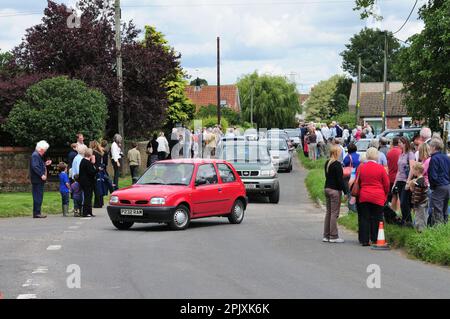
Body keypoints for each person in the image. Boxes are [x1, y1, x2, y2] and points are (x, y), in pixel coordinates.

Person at [357, 147, 390, 246]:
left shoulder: (361, 167)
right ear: (377, 156)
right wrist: (385, 194)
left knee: (364, 218)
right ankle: (375, 238)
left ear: (367, 155)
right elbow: (387, 183)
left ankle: (364, 240)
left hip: (364, 195)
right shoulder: (381, 168)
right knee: (377, 218)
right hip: (378, 196)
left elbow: (358, 182)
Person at [323, 145, 348, 243]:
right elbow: (340, 180)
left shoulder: (327, 163)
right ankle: (333, 236)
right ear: (337, 153)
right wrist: (345, 192)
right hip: (334, 191)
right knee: (334, 213)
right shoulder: (337, 164)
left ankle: (326, 235)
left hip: (327, 188)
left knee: (328, 212)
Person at [393, 136, 416, 226]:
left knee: (404, 202)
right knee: (402, 202)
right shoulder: (401, 154)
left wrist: (408, 181)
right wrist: (395, 182)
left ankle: (408, 221)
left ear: (405, 143)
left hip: (406, 181)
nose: (399, 144)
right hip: (399, 180)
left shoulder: (410, 154)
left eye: (400, 143)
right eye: (398, 143)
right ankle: (405, 220)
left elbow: (412, 168)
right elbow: (399, 170)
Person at [428, 138, 450, 225]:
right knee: (445, 210)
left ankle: (438, 232)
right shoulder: (446, 157)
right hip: (447, 185)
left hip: (439, 187)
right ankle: (445, 230)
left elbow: (433, 176)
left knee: (437, 211)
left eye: (430, 146)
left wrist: (433, 186)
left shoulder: (434, 159)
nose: (429, 148)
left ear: (433, 147)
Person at [30, 141, 51, 219]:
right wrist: (41, 175)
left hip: (38, 179)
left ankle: (37, 212)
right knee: (38, 196)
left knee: (39, 195)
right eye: (44, 150)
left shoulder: (36, 155)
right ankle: (37, 213)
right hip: (37, 179)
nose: (45, 151)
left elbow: (38, 165)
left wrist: (45, 164)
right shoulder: (35, 155)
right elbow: (35, 166)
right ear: (41, 149)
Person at [408, 162, 429, 232]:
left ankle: (420, 232)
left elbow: (417, 194)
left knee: (419, 218)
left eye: (413, 170)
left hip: (420, 203)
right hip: (424, 201)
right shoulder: (423, 180)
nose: (412, 172)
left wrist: (414, 204)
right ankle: (422, 231)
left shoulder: (418, 182)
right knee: (423, 217)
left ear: (417, 171)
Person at [79, 148, 97, 217]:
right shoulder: (87, 162)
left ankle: (89, 212)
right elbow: (92, 172)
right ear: (90, 154)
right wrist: (98, 169)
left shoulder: (83, 161)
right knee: (88, 197)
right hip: (87, 182)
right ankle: (85, 212)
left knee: (89, 197)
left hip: (84, 182)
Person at [387, 137, 402, 213]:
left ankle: (392, 211)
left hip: (391, 176)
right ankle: (398, 211)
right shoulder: (401, 152)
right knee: (399, 195)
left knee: (394, 195)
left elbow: (388, 164)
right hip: (399, 176)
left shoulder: (389, 152)